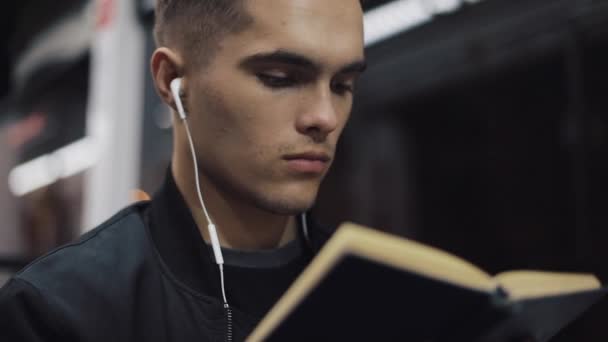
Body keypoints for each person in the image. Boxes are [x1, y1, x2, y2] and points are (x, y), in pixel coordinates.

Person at [0, 0, 366, 341]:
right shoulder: (58, 312)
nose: (326, 117)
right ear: (171, 81)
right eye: (279, 77)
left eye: (342, 85)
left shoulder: (378, 291)